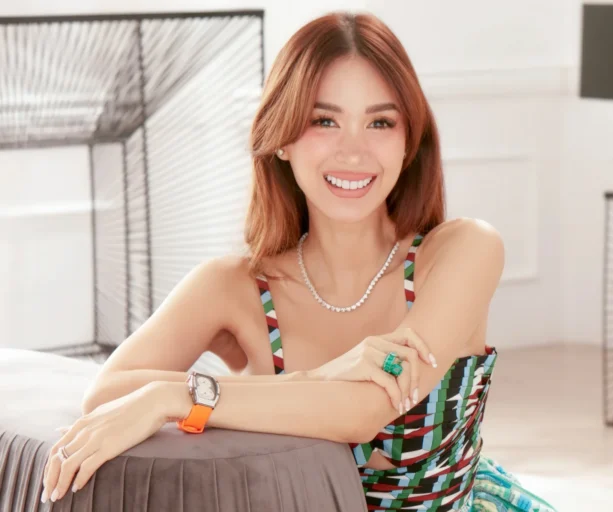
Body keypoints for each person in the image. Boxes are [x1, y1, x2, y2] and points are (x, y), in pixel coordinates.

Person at [40, 11, 558, 512]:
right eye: (324, 121)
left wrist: (178, 397)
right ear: (283, 138)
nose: (353, 152)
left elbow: (364, 410)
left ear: (409, 142)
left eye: (380, 122)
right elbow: (106, 394)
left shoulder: (462, 251)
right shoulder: (233, 286)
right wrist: (318, 378)